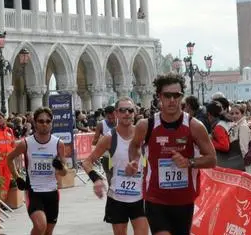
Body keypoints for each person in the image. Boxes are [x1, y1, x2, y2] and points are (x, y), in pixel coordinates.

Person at [126, 72, 217, 235]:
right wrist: (134, 161)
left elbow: (212, 159)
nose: (172, 100)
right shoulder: (146, 125)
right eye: (167, 95)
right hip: (155, 198)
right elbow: (134, 147)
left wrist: (189, 162)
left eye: (177, 95)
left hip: (184, 200)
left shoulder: (194, 126)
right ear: (159, 97)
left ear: (182, 97)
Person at [81, 97, 148, 235]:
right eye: (122, 110)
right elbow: (87, 162)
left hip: (140, 196)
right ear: (116, 113)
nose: (127, 113)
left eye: (130, 110)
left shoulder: (143, 135)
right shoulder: (110, 137)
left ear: (134, 113)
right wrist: (97, 179)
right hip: (117, 197)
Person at [7, 107, 68, 235]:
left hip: (52, 192)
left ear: (51, 123)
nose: (44, 124)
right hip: (34, 191)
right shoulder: (26, 143)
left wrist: (60, 167)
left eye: (48, 121)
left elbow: (64, 172)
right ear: (35, 123)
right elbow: (9, 158)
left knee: (48, 231)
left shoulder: (58, 144)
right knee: (40, 226)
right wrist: (17, 177)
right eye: (41, 121)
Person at [0, 111, 16, 199]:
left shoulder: (9, 130)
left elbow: (13, 144)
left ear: (4, 119)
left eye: (0, 118)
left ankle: (3, 199)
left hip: (8, 160)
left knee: (7, 180)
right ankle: (0, 200)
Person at [94, 105, 118, 183]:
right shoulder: (101, 124)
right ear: (106, 116)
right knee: (110, 180)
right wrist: (104, 141)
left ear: (116, 114)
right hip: (108, 157)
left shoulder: (121, 122)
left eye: (113, 117)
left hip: (120, 156)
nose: (111, 120)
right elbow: (94, 142)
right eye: (109, 118)